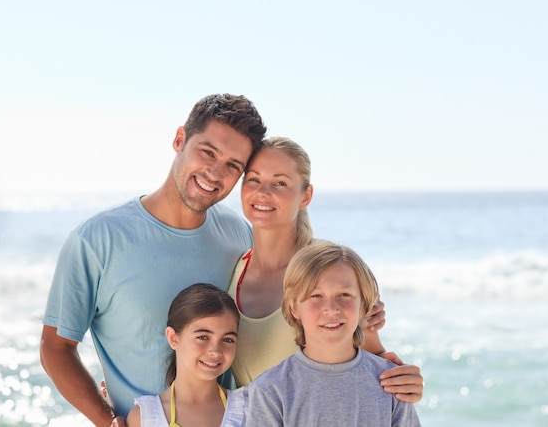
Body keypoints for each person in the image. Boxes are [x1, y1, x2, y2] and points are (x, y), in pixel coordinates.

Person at [39, 93, 267, 426]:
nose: (215, 173)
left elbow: (269, 309)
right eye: (207, 152)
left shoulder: (239, 234)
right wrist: (108, 421)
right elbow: (55, 348)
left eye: (233, 166)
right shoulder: (97, 239)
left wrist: (362, 323)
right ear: (179, 140)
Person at [228, 137, 423, 401]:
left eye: (280, 183)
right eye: (253, 179)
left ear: (305, 196)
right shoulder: (234, 269)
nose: (263, 192)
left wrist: (403, 384)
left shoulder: (333, 271)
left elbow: (374, 361)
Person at [246, 241, 422, 426]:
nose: (331, 309)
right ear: (294, 309)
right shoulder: (269, 390)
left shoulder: (392, 383)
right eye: (316, 296)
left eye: (344, 295)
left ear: (364, 305)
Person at [126, 283, 246, 427]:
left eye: (227, 340)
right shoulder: (144, 417)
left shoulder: (248, 408)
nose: (215, 351)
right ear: (173, 338)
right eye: (203, 337)